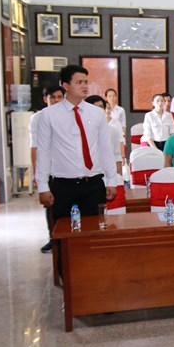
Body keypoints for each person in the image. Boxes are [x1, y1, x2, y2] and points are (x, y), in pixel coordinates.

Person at [35, 64, 117, 225]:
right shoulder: (49, 115)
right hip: (63, 184)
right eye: (79, 82)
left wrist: (112, 180)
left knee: (94, 230)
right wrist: (43, 186)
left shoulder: (96, 113)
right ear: (65, 86)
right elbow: (43, 151)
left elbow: (105, 149)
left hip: (93, 183)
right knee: (64, 231)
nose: (84, 86)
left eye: (86, 82)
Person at [30, 84, 64, 253]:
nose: (56, 100)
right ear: (46, 99)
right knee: (50, 206)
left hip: (66, 168)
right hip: (48, 169)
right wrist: (37, 174)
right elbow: (34, 148)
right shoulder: (38, 118)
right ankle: (53, 239)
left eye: (59, 97)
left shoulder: (69, 115)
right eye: (52, 98)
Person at [86, 95, 123, 175]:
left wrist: (119, 177)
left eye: (101, 107)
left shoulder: (113, 131)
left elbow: (117, 156)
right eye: (94, 107)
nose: (98, 110)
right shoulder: (80, 132)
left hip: (108, 175)